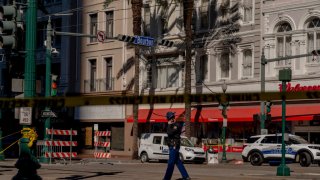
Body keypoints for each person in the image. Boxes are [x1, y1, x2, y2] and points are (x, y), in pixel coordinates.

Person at [163, 111, 190, 180]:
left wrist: (169, 125)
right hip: (172, 145)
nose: (171, 119)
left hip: (174, 145)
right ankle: (186, 176)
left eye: (171, 118)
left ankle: (166, 178)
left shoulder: (176, 125)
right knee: (177, 161)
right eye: (170, 118)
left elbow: (169, 133)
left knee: (171, 163)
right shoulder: (173, 125)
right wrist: (169, 125)